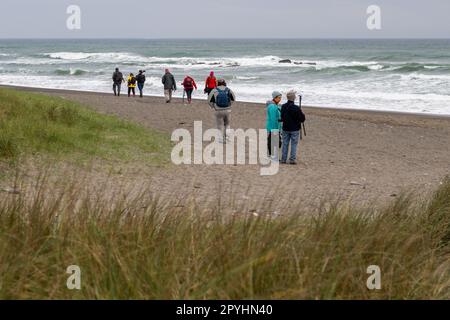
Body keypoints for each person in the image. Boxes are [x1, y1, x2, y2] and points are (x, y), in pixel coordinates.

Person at [280, 90, 305, 165]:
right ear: (293, 98)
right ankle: (292, 160)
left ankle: (283, 159)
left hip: (286, 128)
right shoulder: (296, 108)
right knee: (294, 144)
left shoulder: (283, 106)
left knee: (285, 143)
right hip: (294, 129)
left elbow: (282, 117)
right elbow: (302, 119)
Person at [208, 79, 236, 143]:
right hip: (227, 110)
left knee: (219, 125)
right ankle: (227, 139)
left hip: (218, 110)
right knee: (227, 124)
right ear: (224, 83)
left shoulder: (214, 90)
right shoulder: (228, 90)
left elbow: (209, 101)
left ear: (217, 83)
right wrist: (229, 105)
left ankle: (220, 140)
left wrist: (214, 107)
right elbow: (233, 99)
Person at [266, 91, 283, 161]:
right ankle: (273, 156)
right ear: (274, 98)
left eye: (280, 98)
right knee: (275, 142)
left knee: (273, 141)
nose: (280, 99)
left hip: (275, 126)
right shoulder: (273, 106)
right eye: (279, 98)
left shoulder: (275, 105)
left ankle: (272, 155)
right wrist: (275, 128)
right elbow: (273, 118)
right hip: (274, 126)